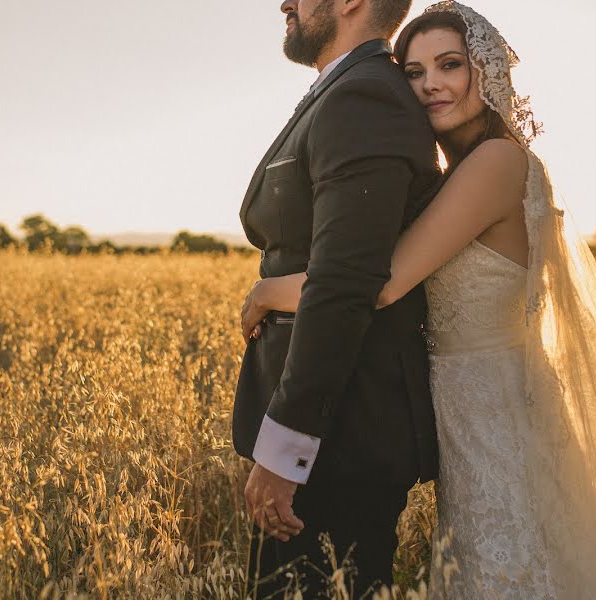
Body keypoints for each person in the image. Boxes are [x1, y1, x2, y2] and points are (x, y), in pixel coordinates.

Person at [242, 1, 596, 598]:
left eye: (450, 65)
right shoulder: (458, 170)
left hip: (494, 412)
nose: (430, 83)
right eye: (413, 71)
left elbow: (379, 280)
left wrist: (269, 290)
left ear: (486, 74)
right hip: (463, 414)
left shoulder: (496, 162)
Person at [232, 0, 442, 598]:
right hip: (330, 437)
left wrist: (286, 450)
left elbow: (345, 282)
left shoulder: (366, 95)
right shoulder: (347, 87)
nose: (284, 4)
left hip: (340, 441)